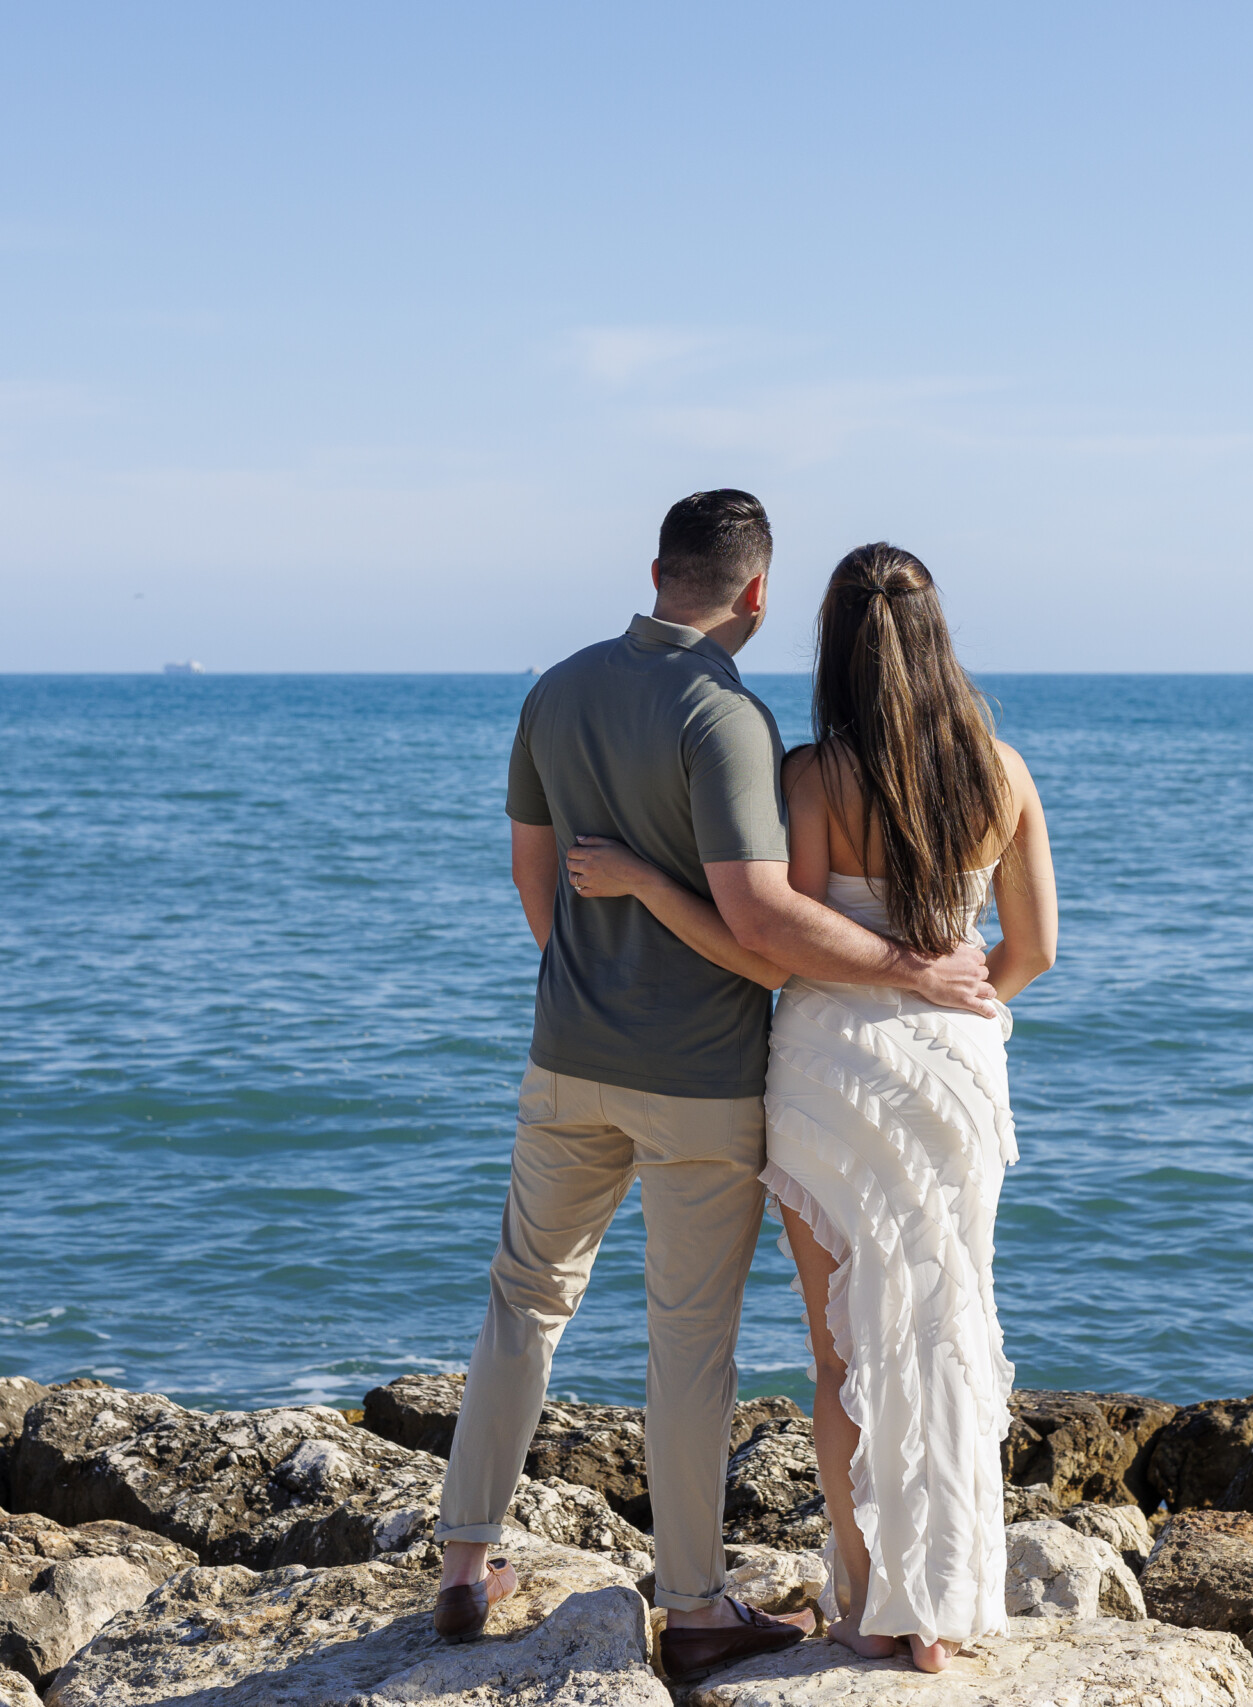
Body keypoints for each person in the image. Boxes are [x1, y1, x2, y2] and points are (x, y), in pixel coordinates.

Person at [433, 494, 998, 1684]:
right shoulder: (729, 719)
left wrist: (588, 970)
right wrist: (906, 969)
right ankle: (693, 1609)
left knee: (522, 1301)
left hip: (565, 1055)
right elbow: (761, 928)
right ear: (754, 595)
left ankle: (463, 1560)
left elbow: (534, 872)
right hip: (698, 1080)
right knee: (688, 1344)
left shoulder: (559, 686)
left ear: (654, 570)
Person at [566, 542, 1057, 1673]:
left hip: (835, 1071)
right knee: (943, 1324)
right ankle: (943, 1608)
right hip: (955, 1067)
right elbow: (1031, 949)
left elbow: (770, 945)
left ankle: (867, 1601)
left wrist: (646, 882)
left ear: (834, 643)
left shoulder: (815, 775)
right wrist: (961, 998)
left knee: (845, 1354)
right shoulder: (1002, 770)